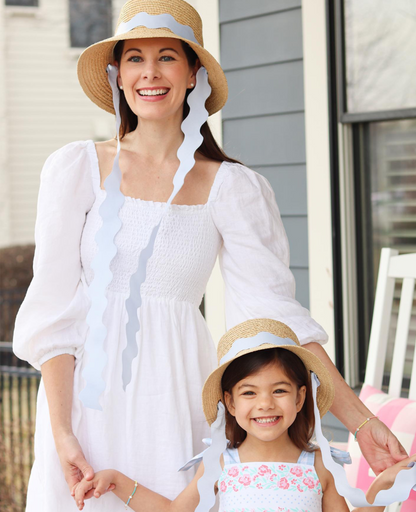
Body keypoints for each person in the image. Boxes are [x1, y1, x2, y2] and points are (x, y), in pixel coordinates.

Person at [12, 1, 407, 511]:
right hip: (85, 403)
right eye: (134, 58)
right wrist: (62, 432)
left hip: (175, 395)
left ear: (194, 71)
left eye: (167, 57)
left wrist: (362, 421)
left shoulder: (233, 188)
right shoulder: (76, 169)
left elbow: (278, 320)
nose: (149, 73)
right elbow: (54, 312)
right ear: (117, 74)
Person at [72, 319, 416, 512]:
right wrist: (118, 480)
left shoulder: (318, 466)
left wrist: (383, 486)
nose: (265, 403)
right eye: (249, 393)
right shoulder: (222, 463)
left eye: (279, 391)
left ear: (300, 398)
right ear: (230, 404)